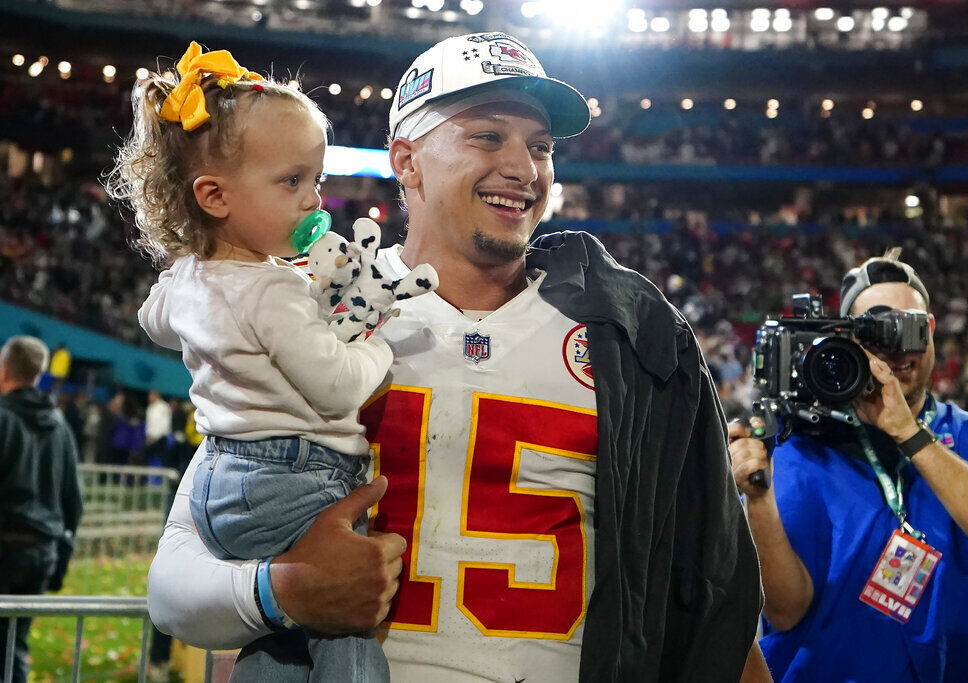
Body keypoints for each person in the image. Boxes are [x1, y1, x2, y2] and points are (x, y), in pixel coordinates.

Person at [147, 32, 766, 681]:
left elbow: (708, 593)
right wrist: (286, 591)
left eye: (541, 146)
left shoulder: (630, 337)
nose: (524, 167)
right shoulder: (307, 310)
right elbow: (174, 587)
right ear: (406, 159)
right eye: (488, 136)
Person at [107, 42, 435, 681]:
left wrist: (205, 298)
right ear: (215, 195)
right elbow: (337, 386)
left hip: (221, 482)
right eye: (292, 182)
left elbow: (155, 323)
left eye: (315, 179)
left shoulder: (189, 280)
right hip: (295, 477)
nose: (314, 199)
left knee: (283, 644)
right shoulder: (276, 289)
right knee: (345, 624)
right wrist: (377, 343)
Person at [730, 250, 968, 681]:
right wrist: (758, 500)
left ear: (932, 329)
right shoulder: (794, 449)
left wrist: (911, 435)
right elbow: (787, 611)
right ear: (847, 339)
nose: (898, 346)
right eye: (877, 330)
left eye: (911, 326)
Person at [0, 336, 83, 683]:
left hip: (5, 548)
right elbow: (73, 503)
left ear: (4, 370)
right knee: (13, 646)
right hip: (41, 552)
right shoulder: (60, 426)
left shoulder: (3, 418)